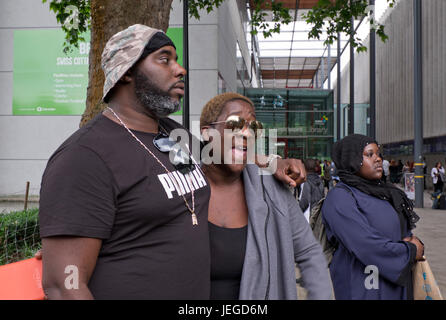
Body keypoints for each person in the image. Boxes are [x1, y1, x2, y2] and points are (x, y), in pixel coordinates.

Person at [38, 25, 307, 300]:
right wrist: (67, 246)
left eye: (176, 59)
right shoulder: (84, 156)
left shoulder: (172, 134)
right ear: (127, 71)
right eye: (164, 59)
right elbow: (64, 285)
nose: (180, 69)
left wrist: (274, 162)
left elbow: (221, 155)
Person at [200, 92, 332, 300]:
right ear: (207, 133)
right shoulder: (180, 187)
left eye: (254, 127)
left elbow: (309, 252)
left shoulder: (271, 189)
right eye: (235, 123)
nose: (247, 133)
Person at [321, 134, 424, 300]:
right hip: (364, 286)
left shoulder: (388, 193)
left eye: (378, 154)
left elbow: (403, 234)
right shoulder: (340, 197)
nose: (378, 159)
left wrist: (411, 244)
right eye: (369, 154)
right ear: (351, 160)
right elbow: (364, 243)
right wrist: (410, 251)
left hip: (397, 285)